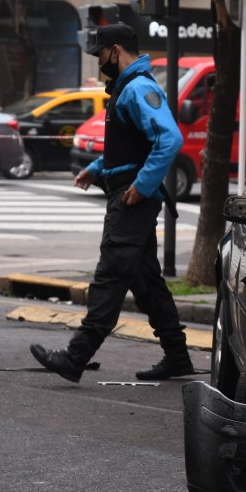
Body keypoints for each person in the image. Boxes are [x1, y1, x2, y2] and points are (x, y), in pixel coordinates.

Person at [30, 23, 195, 383]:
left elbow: (169, 140)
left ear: (116, 50)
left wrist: (142, 184)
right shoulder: (127, 88)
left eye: (100, 54)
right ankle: (178, 356)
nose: (98, 62)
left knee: (110, 275)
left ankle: (75, 357)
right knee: (147, 282)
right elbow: (129, 148)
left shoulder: (138, 88)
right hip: (128, 194)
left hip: (132, 201)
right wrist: (95, 167)